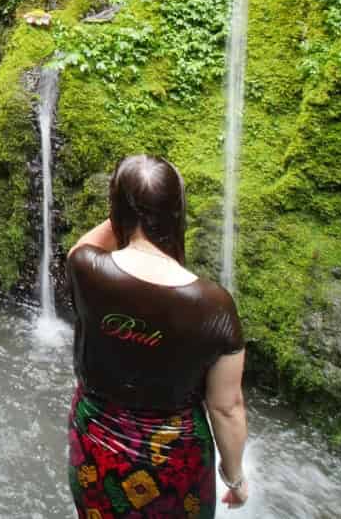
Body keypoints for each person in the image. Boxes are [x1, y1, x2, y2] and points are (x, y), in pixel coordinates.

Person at [65, 155, 249, 516]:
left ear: (118, 209)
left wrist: (126, 205)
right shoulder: (214, 306)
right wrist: (234, 477)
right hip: (175, 460)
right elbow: (226, 407)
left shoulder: (86, 268)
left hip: (96, 446)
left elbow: (80, 247)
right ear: (176, 213)